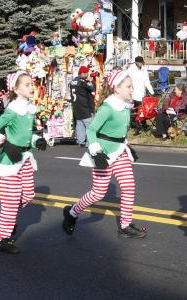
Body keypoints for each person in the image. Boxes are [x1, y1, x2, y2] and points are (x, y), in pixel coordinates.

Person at [62, 70, 147, 238]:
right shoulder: (108, 108)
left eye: (132, 86)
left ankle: (125, 226)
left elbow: (118, 132)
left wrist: (127, 146)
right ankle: (72, 212)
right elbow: (91, 130)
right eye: (129, 86)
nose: (132, 89)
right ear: (117, 88)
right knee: (98, 193)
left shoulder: (124, 106)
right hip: (103, 154)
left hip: (120, 152)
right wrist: (95, 150)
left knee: (129, 187)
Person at [0, 71, 47, 254]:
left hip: (25, 159)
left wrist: (37, 140)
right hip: (10, 161)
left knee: (28, 196)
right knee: (11, 201)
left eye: (31, 84)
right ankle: (1, 239)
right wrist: (3, 141)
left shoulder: (29, 109)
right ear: (16, 89)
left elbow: (28, 135)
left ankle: (8, 217)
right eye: (27, 85)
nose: (31, 87)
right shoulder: (12, 111)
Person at [127, 56, 154, 135]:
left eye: (141, 62)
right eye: (139, 62)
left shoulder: (144, 70)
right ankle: (136, 127)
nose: (140, 64)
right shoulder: (131, 70)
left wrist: (152, 92)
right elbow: (128, 82)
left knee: (141, 111)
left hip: (141, 94)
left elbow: (147, 82)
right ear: (135, 62)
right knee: (133, 111)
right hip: (132, 93)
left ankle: (144, 126)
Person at [70, 66, 95, 147]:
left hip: (76, 107)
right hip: (84, 107)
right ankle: (89, 142)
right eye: (86, 73)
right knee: (89, 125)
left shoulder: (72, 81)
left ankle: (80, 142)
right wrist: (91, 82)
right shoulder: (83, 82)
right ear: (82, 73)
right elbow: (92, 88)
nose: (87, 74)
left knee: (79, 124)